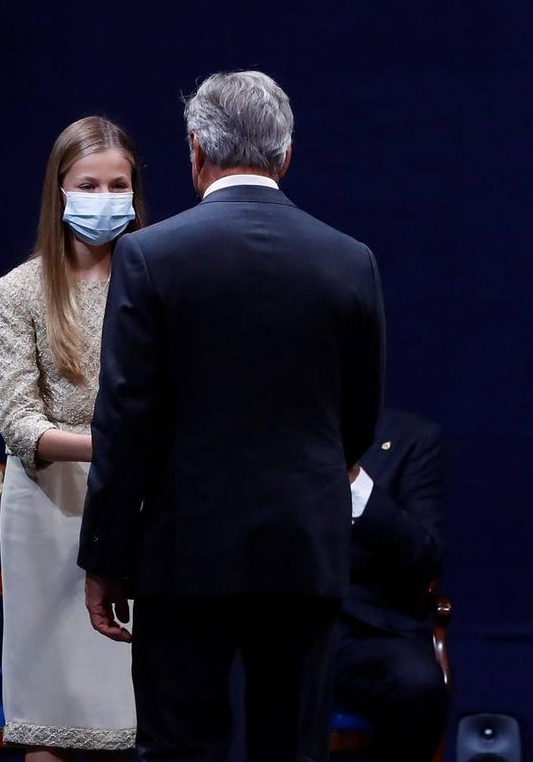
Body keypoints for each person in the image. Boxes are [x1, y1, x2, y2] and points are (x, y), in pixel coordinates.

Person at [78, 70, 385, 762]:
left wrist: (104, 555)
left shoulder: (150, 257)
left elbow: (124, 423)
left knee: (179, 746)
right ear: (285, 154)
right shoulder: (349, 261)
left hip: (182, 553)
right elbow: (359, 420)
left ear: (195, 150)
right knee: (293, 746)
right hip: (304, 550)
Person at [0, 115, 145, 760]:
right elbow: (18, 421)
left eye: (119, 185)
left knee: (135, 716)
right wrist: (112, 441)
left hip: (137, 501)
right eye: (89, 184)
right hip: (49, 510)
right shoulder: (19, 291)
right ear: (60, 189)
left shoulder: (158, 281)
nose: (104, 199)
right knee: (47, 721)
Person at [335, 407, 448, 762]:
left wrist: (356, 484)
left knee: (418, 683)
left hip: (365, 630)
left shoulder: (411, 437)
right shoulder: (268, 428)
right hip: (274, 620)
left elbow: (422, 555)